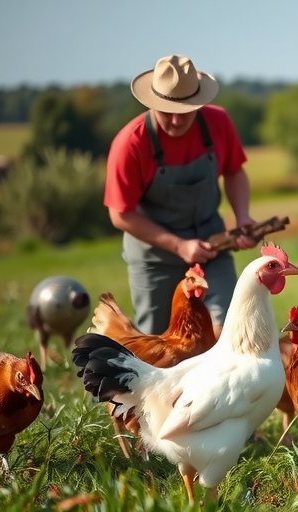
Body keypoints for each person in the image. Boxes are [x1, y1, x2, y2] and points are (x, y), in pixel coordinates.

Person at [105, 54, 257, 338]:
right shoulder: (130, 143)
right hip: (155, 259)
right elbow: (120, 214)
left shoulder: (218, 123)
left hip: (214, 248)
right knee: (159, 346)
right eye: (166, 111)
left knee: (228, 334)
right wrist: (178, 245)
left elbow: (235, 171)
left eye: (185, 110)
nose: (175, 121)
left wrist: (243, 216)